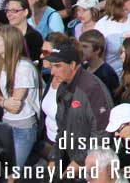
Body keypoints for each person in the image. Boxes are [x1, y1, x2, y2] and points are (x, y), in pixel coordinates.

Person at [46, 40, 113, 178]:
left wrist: (78, 162)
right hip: (71, 157)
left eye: (58, 66)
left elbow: (102, 132)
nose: (52, 72)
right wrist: (55, 157)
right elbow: (62, 128)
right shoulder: (63, 86)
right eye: (52, 66)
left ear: (72, 65)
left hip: (94, 165)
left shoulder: (92, 89)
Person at [0, 25, 41, 168]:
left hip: (22, 128)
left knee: (12, 172)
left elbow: (14, 107)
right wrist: (3, 102)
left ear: (9, 43)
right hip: (5, 124)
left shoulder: (23, 68)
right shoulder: (0, 64)